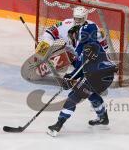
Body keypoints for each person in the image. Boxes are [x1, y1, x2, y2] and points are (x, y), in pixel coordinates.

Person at [47, 9, 118, 137]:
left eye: (72, 36)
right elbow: (83, 66)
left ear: (78, 35)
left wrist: (69, 77)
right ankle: (103, 117)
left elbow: (81, 68)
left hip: (97, 77)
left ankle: (57, 126)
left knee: (73, 97)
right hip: (105, 77)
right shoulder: (92, 43)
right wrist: (72, 75)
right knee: (90, 93)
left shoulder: (87, 47)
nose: (71, 39)